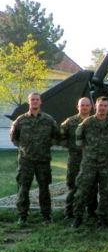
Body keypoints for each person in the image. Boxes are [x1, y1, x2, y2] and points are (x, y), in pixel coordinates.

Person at [10, 92, 59, 225]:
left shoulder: (49, 120)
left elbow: (56, 136)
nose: (35, 101)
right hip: (26, 162)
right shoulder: (20, 120)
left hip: (43, 161)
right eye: (32, 99)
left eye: (37, 99)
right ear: (29, 102)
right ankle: (22, 216)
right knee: (23, 189)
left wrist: (46, 146)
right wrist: (24, 148)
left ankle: (46, 216)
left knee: (44, 189)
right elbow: (14, 138)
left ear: (40, 102)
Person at [72, 97, 108, 227]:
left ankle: (103, 217)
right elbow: (79, 139)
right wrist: (88, 152)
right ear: (95, 106)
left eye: (105, 106)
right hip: (89, 164)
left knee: (106, 192)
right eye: (100, 105)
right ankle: (78, 217)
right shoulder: (87, 122)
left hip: (107, 164)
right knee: (82, 190)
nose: (102, 108)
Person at [59, 97, 94, 219]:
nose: (84, 107)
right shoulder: (70, 121)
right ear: (77, 107)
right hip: (75, 158)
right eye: (82, 105)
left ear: (91, 107)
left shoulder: (94, 120)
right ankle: (69, 213)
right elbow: (61, 136)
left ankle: (91, 212)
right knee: (72, 185)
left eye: (87, 105)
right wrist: (70, 147)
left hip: (90, 159)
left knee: (91, 186)